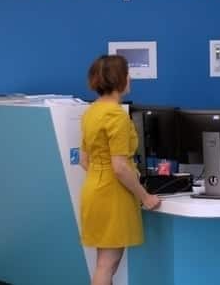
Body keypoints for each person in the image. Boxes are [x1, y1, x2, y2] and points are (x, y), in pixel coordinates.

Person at [79, 55, 160, 285]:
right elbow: (120, 167)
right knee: (108, 264)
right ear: (119, 79)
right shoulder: (116, 115)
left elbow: (84, 161)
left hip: (94, 189)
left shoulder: (91, 111)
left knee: (103, 263)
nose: (130, 77)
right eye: (127, 73)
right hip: (112, 193)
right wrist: (145, 197)